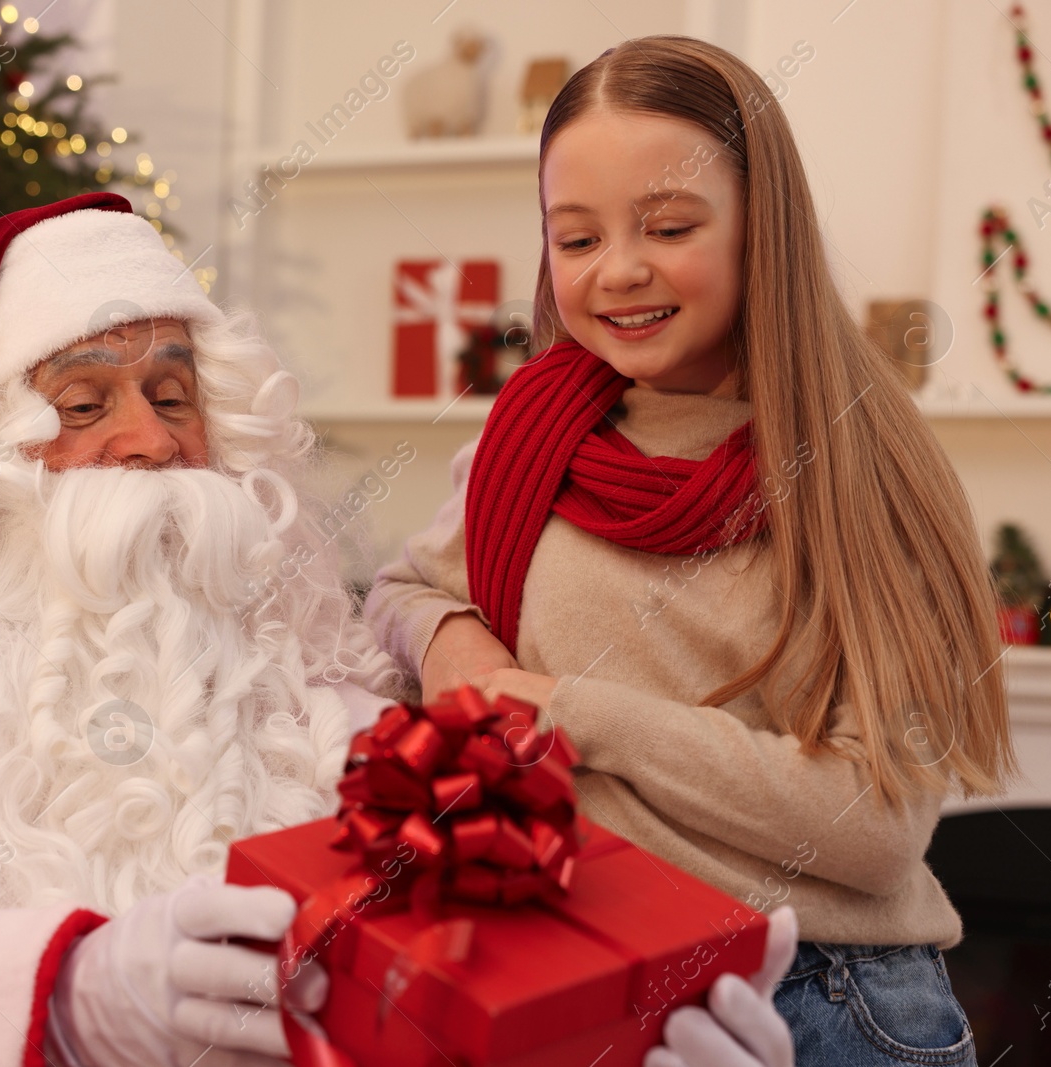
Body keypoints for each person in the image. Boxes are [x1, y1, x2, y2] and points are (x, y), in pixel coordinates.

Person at [0, 193, 798, 1067]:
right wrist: (62, 999)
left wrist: (623, 1035)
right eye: (82, 404)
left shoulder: (370, 724)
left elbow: (482, 1011)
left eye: (174, 396)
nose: (150, 440)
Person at [365, 36, 1017, 1067]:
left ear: (764, 228)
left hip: (822, 999)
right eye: (575, 239)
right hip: (576, 970)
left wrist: (563, 710)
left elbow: (875, 824)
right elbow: (405, 588)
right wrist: (458, 649)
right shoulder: (531, 433)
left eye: (668, 226)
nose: (619, 270)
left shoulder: (863, 470)